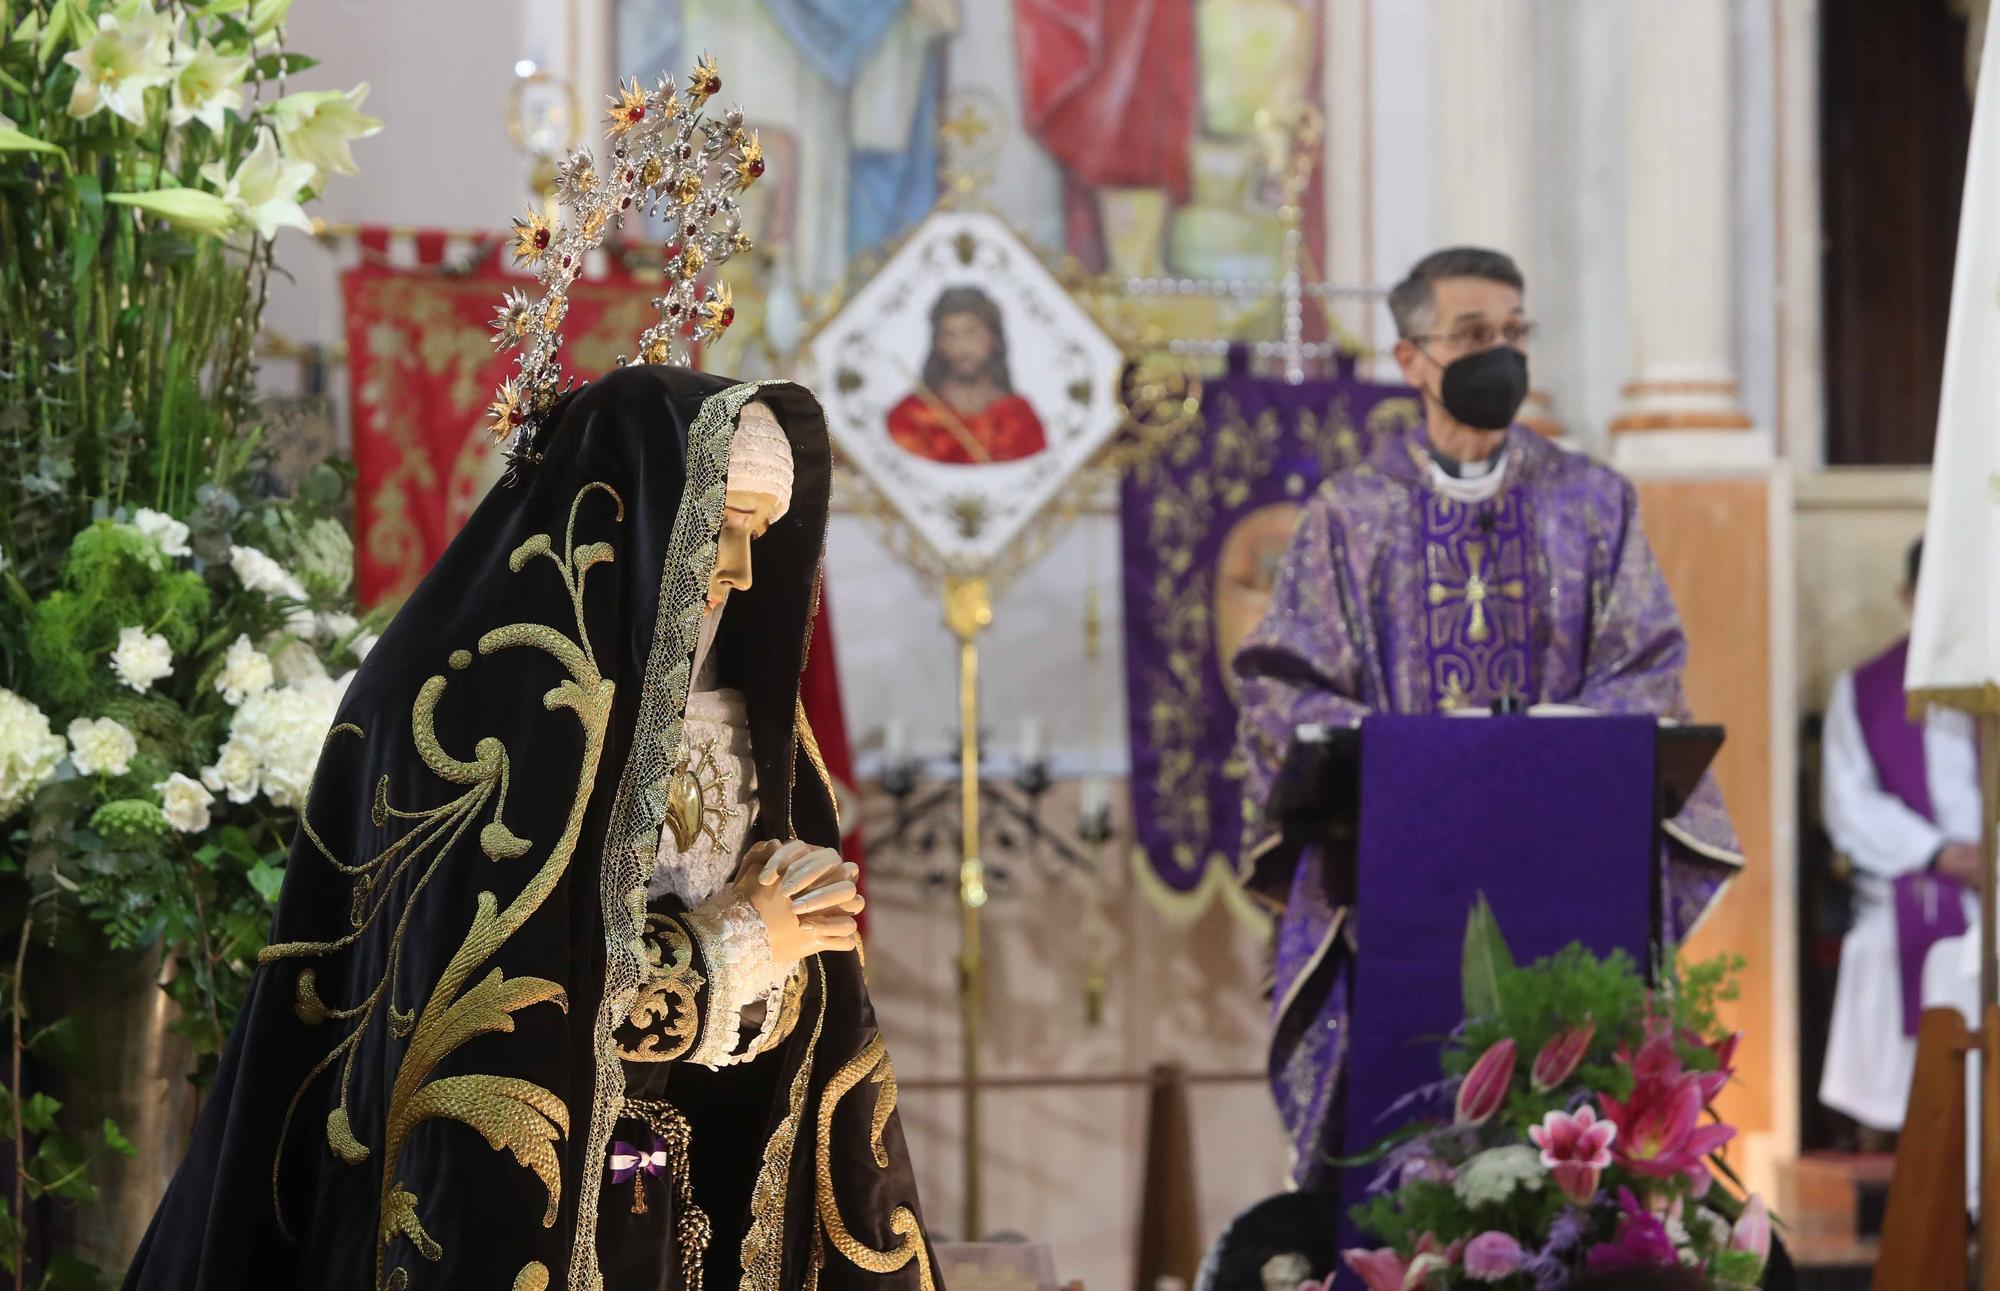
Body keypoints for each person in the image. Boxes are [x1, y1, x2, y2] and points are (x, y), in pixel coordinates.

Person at [123, 367, 941, 1290]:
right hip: (513, 1212)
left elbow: (809, 988)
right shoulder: (477, 707)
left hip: (691, 1202)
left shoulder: (754, 726)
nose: (741, 571)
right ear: (631, 516)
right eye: (720, 526)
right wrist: (734, 946)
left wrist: (782, 959)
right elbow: (499, 1015)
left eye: (759, 533)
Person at [1231, 246, 1741, 1187]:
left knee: (1575, 1141)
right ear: (1413, 357)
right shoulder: (1353, 515)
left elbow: (1650, 670)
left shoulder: (1592, 504)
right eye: (1473, 335)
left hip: (1566, 876)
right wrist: (1403, 749)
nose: (1500, 353)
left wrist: (1547, 729)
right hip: (1398, 886)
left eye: (1514, 332)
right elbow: (1280, 687)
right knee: (1404, 1140)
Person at [1819, 538, 1981, 1136]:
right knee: (1882, 946)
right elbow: (1849, 801)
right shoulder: (1866, 691)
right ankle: (1912, 1128)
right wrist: (1940, 853)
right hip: (1914, 873)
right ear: (1908, 598)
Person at [885, 285, 1048, 465]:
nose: (961, 347)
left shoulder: (1019, 417)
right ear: (938, 344)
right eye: (949, 335)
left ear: (995, 339)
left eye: (971, 332)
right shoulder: (911, 416)